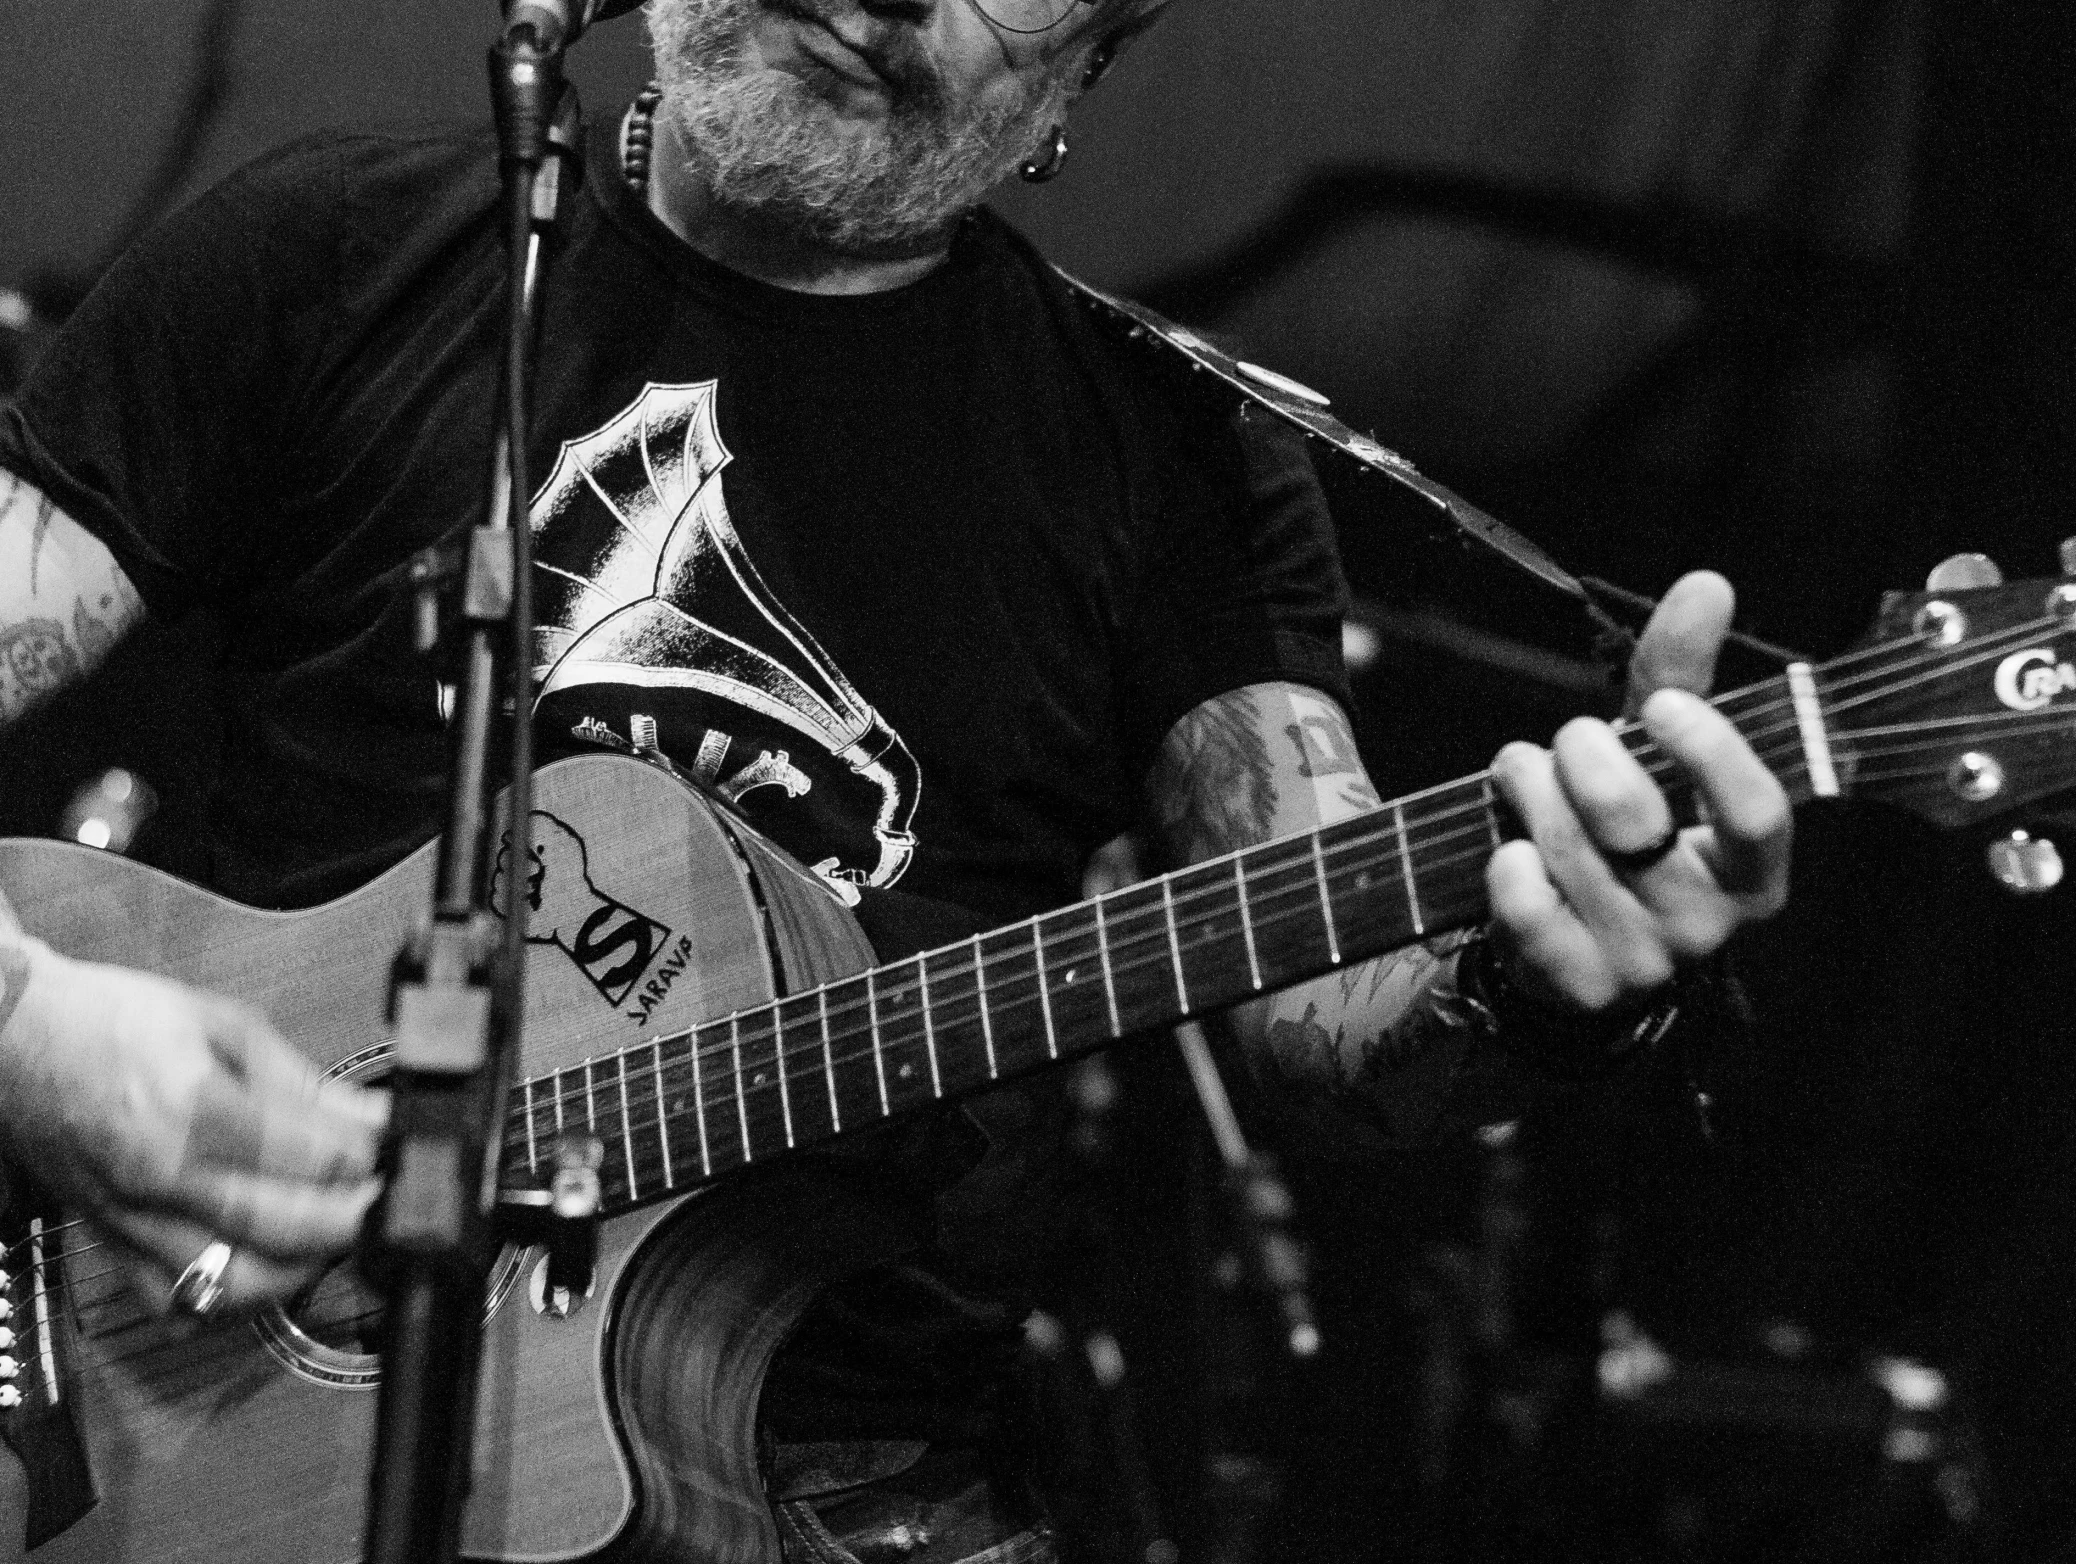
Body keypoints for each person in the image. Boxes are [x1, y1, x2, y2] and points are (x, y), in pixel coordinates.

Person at [0, 0, 1792, 1556]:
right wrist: (29, 1034)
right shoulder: (319, 259)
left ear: (1087, 66)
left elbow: (1331, 1038)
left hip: (843, 1474)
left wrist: (1536, 987)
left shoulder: (1169, 461)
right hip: (184, 1409)